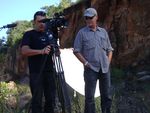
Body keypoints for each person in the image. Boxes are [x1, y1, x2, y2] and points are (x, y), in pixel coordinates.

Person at [73, 8, 114, 113]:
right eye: (86, 18)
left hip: (105, 68)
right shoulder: (81, 33)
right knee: (90, 98)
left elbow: (110, 49)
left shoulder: (103, 32)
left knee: (107, 96)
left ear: (96, 17)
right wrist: (86, 63)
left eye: (91, 17)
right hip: (91, 69)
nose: (88, 20)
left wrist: (108, 62)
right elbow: (76, 51)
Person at [21, 11, 56, 113]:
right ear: (34, 22)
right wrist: (41, 51)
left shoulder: (49, 34)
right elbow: (24, 51)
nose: (42, 24)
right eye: (39, 21)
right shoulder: (29, 34)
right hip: (36, 72)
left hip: (49, 72)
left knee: (51, 100)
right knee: (37, 101)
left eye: (44, 21)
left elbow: (55, 52)